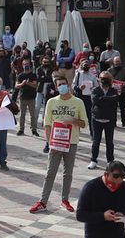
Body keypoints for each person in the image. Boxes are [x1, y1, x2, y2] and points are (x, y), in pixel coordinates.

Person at [34, 76, 89, 214]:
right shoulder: (51, 102)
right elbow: (47, 124)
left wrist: (73, 120)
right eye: (59, 85)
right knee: (50, 173)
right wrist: (49, 142)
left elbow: (84, 123)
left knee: (68, 173)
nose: (62, 87)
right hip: (56, 143)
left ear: (69, 84)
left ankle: (65, 200)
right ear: (56, 87)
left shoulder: (78, 102)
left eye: (64, 84)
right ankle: (43, 201)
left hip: (71, 142)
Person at [89, 78, 119, 170]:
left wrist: (102, 100)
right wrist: (108, 100)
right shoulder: (95, 90)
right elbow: (95, 101)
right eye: (103, 84)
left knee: (109, 142)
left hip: (109, 119)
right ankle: (93, 160)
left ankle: (110, 161)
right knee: (96, 141)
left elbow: (115, 100)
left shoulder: (113, 90)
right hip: (97, 119)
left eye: (106, 84)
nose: (104, 86)